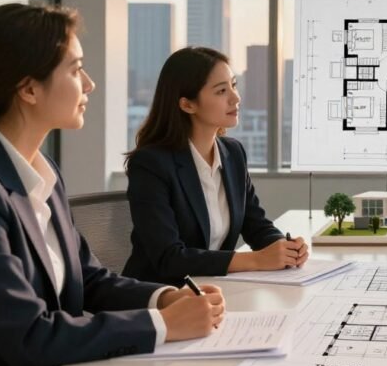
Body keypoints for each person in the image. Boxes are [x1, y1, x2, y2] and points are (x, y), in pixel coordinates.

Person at [0, 3, 224, 366]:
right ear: (29, 88)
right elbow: (28, 335)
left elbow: (88, 280)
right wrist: (163, 324)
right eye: (75, 69)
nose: (89, 84)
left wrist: (165, 297)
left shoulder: (41, 172)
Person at [122, 47, 308, 285]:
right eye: (221, 91)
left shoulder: (233, 153)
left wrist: (285, 248)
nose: (235, 98)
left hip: (217, 290)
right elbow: (170, 258)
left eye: (233, 85)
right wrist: (256, 260)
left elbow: (257, 226)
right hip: (160, 298)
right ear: (188, 105)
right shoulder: (151, 164)